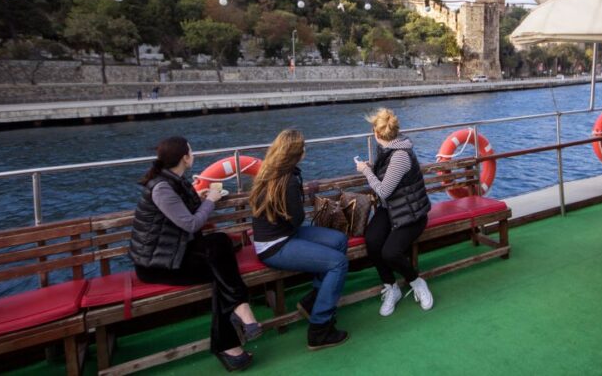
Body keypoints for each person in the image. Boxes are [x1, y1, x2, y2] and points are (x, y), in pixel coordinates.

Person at [130, 136, 261, 371]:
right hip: (157, 266)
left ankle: (233, 339)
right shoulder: (162, 188)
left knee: (220, 245)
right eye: (191, 151)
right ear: (184, 158)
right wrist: (210, 200)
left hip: (176, 254)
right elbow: (190, 224)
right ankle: (239, 315)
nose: (194, 154)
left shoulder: (175, 181)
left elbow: (182, 215)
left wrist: (200, 199)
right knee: (221, 272)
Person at [250, 129, 349, 350]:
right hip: (276, 246)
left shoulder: (271, 171)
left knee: (339, 240)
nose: (306, 150)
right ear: (296, 153)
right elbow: (297, 219)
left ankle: (313, 301)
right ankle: (319, 328)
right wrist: (304, 197)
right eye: (303, 147)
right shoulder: (289, 180)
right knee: (338, 263)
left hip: (284, 235)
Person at [355, 108, 433, 316]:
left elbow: (383, 191)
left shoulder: (399, 155)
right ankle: (391, 287)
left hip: (412, 214)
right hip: (391, 210)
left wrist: (366, 171)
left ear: (376, 133)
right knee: (372, 240)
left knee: (390, 252)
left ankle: (416, 281)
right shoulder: (388, 148)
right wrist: (373, 169)